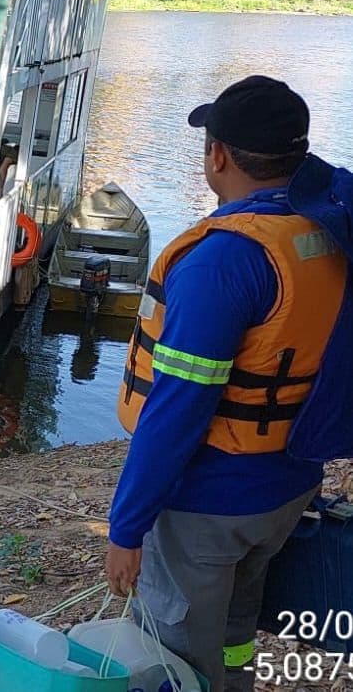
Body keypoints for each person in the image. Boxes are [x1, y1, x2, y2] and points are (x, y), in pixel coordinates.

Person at [105, 75, 353, 692]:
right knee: (236, 631)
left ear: (217, 155)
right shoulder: (326, 232)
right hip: (287, 487)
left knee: (173, 656)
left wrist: (126, 528)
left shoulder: (223, 261)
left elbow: (179, 409)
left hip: (207, 505)